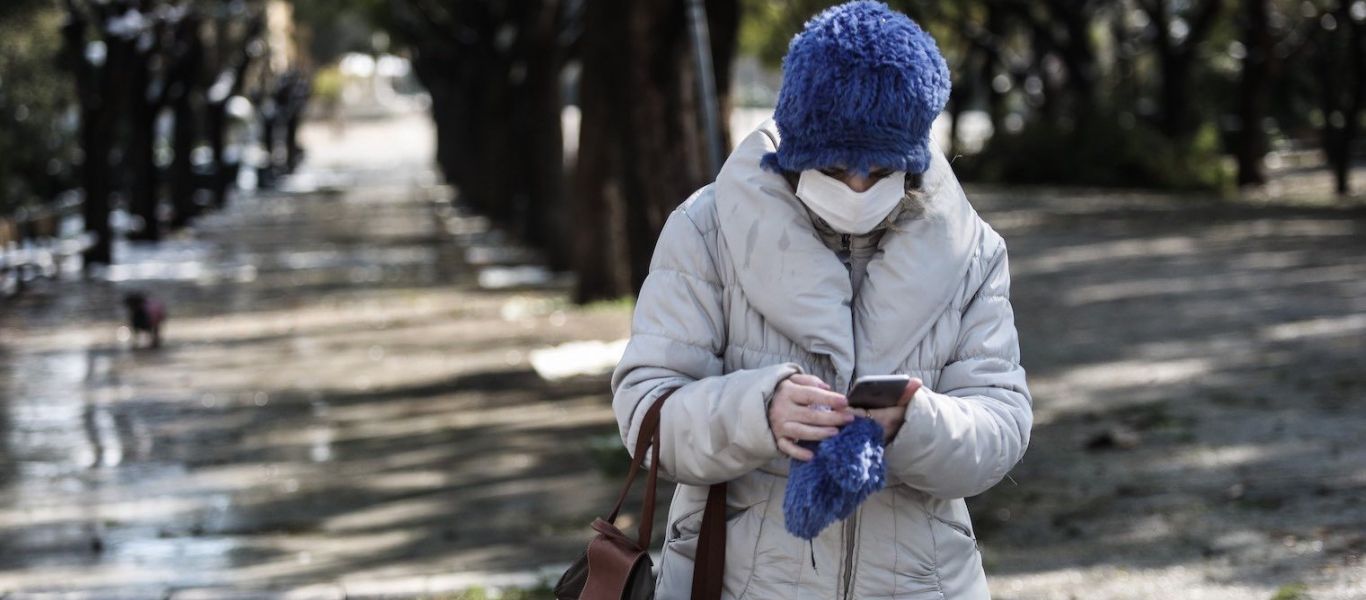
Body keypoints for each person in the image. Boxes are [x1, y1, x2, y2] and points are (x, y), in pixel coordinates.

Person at [610, 2, 1032, 598]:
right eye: (834, 167)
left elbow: (1002, 426)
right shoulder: (707, 229)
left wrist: (915, 422)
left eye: (881, 168)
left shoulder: (972, 249)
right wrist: (758, 411)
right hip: (738, 583)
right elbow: (645, 414)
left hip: (920, 583)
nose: (858, 187)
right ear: (797, 145)